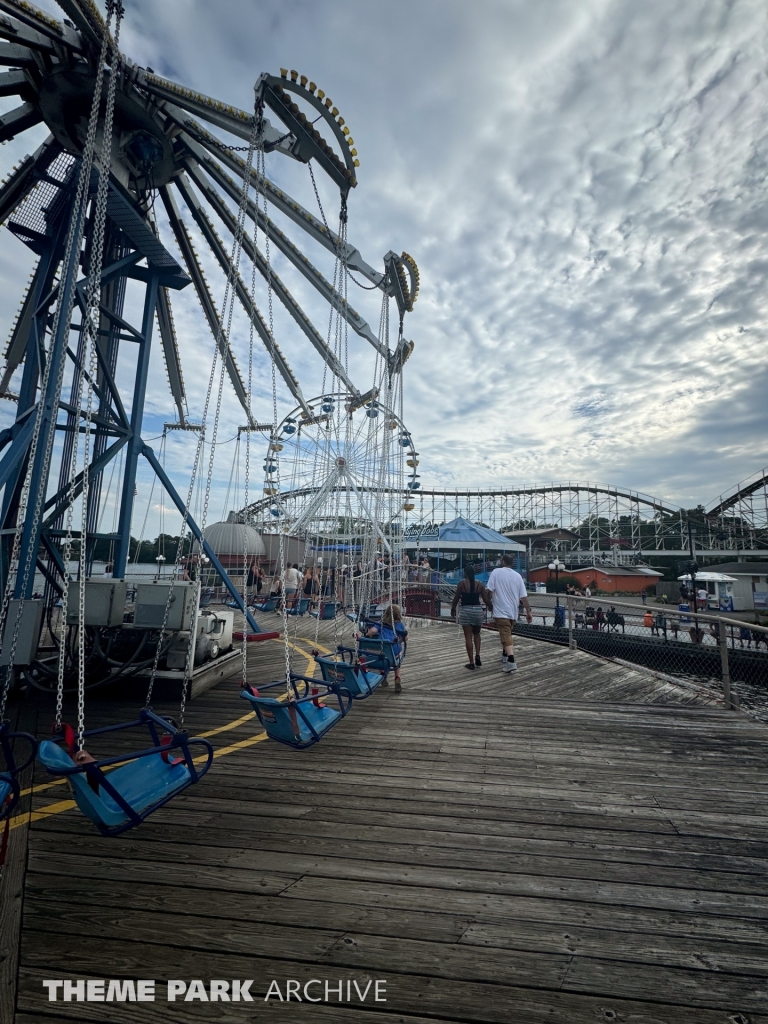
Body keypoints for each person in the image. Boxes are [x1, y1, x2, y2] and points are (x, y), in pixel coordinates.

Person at [485, 553, 532, 673]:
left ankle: (511, 661)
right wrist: (528, 612)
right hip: (513, 611)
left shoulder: (496, 572)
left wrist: (489, 603)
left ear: (503, 562)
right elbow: (524, 597)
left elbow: (489, 590)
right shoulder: (518, 576)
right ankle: (505, 655)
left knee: (505, 635)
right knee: (507, 633)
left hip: (500, 610)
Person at [450, 565, 492, 670]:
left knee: (468, 637)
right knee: (477, 634)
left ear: (466, 573)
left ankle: (471, 662)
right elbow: (486, 600)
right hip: (477, 612)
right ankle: (478, 654)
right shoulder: (480, 584)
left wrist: (453, 609)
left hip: (465, 611)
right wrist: (491, 607)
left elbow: (456, 598)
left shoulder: (461, 584)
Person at [367, 603, 407, 693]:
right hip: (394, 655)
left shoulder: (381, 622)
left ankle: (382, 674)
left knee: (380, 656)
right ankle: (397, 678)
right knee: (398, 662)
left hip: (381, 653)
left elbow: (372, 631)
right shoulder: (400, 625)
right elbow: (406, 637)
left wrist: (368, 634)